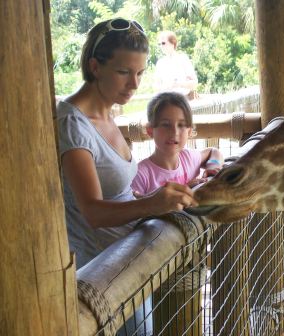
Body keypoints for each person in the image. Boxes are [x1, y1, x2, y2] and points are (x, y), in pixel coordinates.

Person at [57, 18, 198, 270]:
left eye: (140, 73)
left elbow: (119, 195)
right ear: (95, 67)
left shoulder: (106, 112)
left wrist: (155, 197)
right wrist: (151, 204)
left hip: (128, 261)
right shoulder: (73, 124)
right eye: (124, 72)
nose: (134, 84)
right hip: (97, 276)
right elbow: (93, 212)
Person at [131, 92, 223, 196]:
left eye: (181, 125)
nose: (174, 132)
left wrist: (212, 166)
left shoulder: (188, 159)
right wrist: (184, 190)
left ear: (189, 131)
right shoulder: (140, 175)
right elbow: (133, 209)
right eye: (165, 125)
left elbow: (213, 152)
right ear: (150, 130)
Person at [153, 30, 198, 100]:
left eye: (163, 43)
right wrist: (164, 87)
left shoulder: (183, 59)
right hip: (166, 101)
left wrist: (178, 84)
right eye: (159, 44)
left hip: (183, 100)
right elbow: (156, 86)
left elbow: (194, 83)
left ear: (172, 43)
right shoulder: (160, 63)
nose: (161, 46)